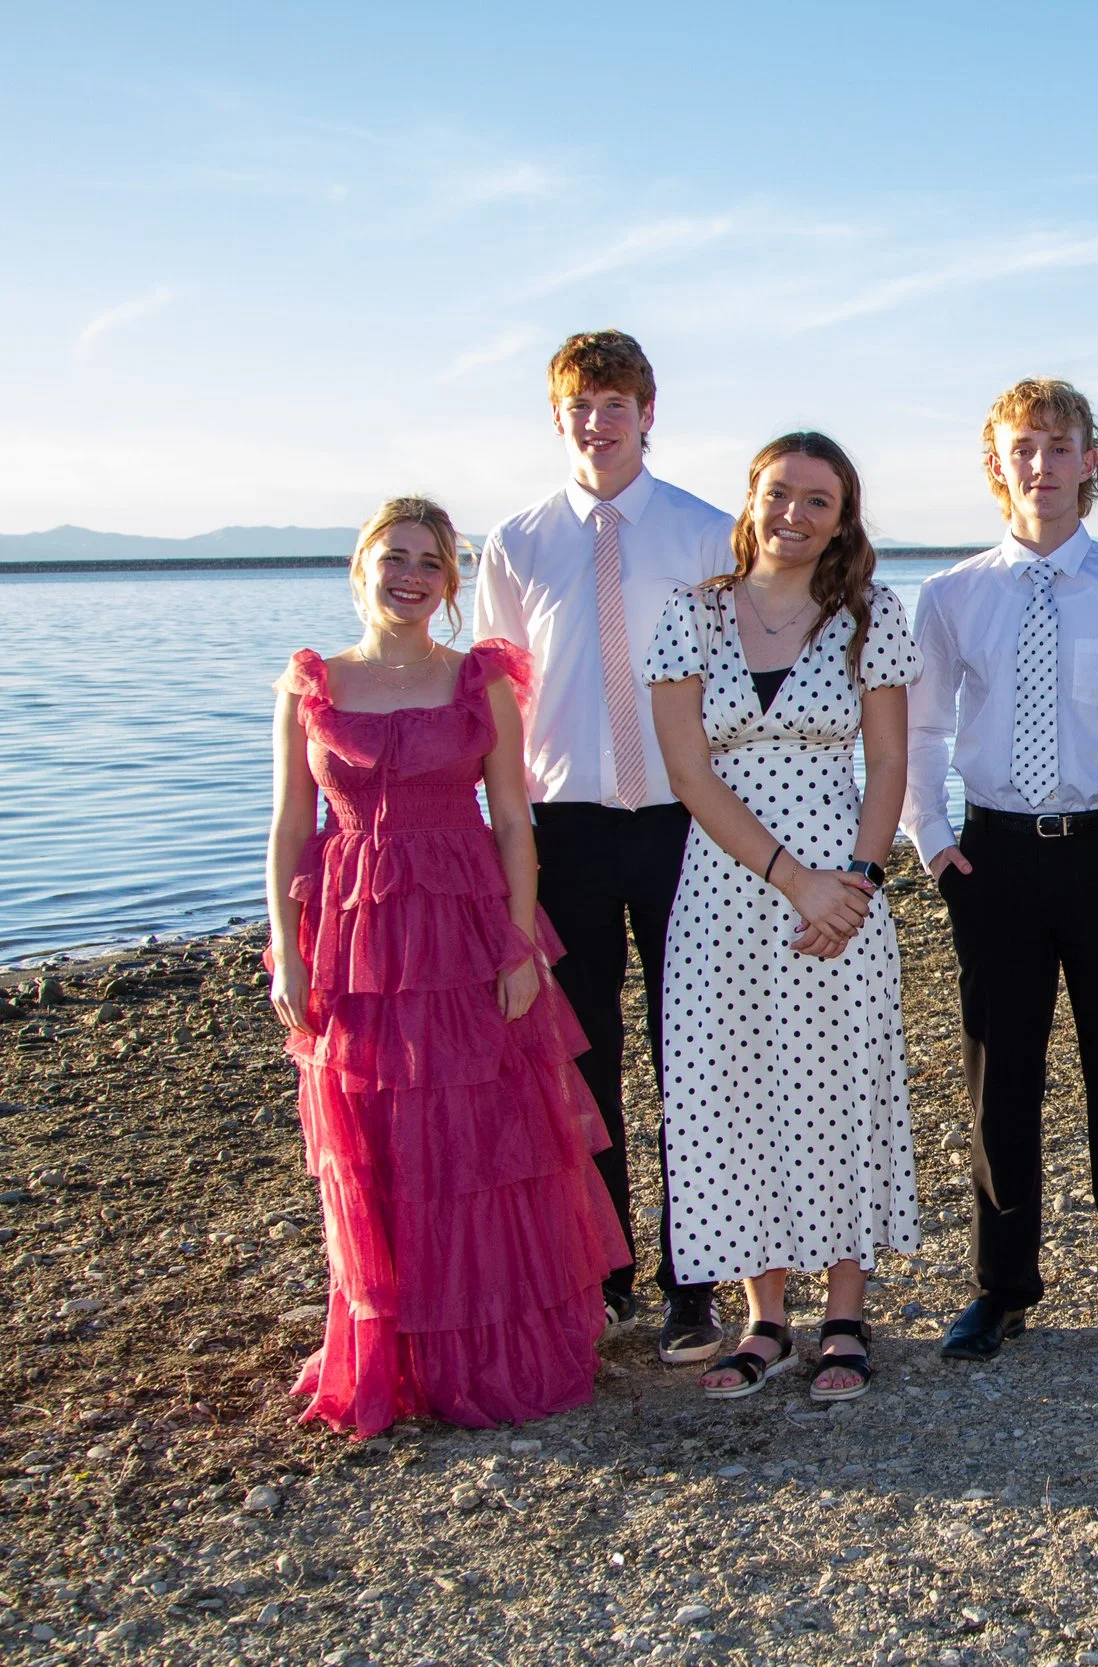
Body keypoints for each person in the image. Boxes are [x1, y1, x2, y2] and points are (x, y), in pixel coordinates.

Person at [265, 498, 629, 1438]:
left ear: (452, 584)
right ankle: (400, 1353)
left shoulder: (480, 683)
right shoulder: (311, 685)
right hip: (357, 939)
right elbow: (288, 828)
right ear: (362, 564)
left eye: (432, 561)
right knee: (378, 1138)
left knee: (477, 1138)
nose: (412, 573)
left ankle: (484, 1352)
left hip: (466, 926)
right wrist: (287, 954)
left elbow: (515, 821)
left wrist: (520, 945)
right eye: (396, 556)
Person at [904, 378, 1098, 1368]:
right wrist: (934, 843)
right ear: (996, 464)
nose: (1040, 463)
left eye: (1059, 444)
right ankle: (1001, 1287)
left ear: (1091, 461)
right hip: (993, 855)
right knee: (999, 1081)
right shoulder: (952, 593)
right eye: (1022, 446)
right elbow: (922, 725)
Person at [473, 330, 736, 1366]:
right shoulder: (519, 541)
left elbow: (733, 680)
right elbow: (499, 700)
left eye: (616, 402)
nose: (599, 421)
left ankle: (694, 1283)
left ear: (648, 411)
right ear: (558, 417)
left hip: (683, 825)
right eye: (580, 405)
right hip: (562, 829)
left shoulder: (708, 531)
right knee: (580, 1059)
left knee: (694, 1058)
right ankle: (601, 1271)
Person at [643, 432, 922, 1402]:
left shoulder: (871, 614)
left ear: (842, 517)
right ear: (751, 499)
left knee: (840, 1084)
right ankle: (767, 1316)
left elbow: (887, 763)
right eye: (780, 494)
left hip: (842, 894)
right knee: (736, 1088)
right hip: (724, 894)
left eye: (818, 500)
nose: (795, 514)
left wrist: (854, 880)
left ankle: (844, 1312)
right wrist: (788, 876)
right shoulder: (690, 616)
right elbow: (687, 771)